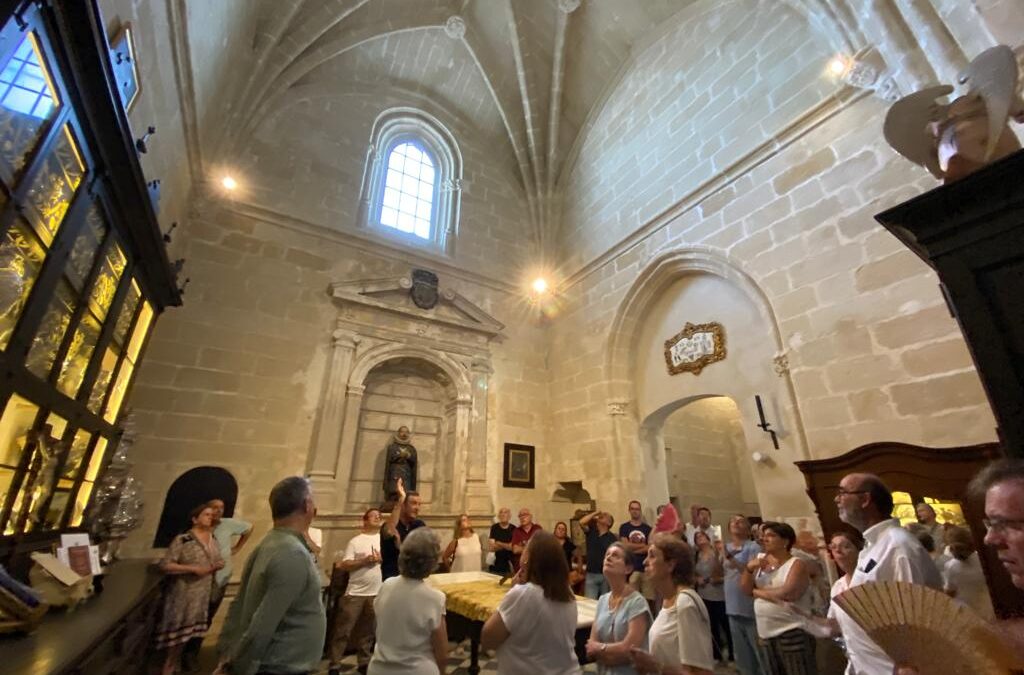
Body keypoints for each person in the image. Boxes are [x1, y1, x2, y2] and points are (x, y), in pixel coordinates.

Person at [832, 473, 941, 675]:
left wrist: (910, 664)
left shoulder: (898, 546)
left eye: (842, 493)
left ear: (865, 499)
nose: (836, 499)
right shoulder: (872, 546)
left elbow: (915, 616)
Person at [216, 477, 326, 675]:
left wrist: (229, 651)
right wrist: (236, 665)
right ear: (307, 505)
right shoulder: (291, 552)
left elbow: (239, 604)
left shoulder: (272, 542)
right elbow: (264, 621)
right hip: (281, 664)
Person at [482, 531, 581, 674]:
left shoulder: (524, 594)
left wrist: (514, 591)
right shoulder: (568, 593)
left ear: (527, 558)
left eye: (526, 548)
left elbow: (488, 639)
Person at [182, 498, 252, 671]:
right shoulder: (195, 532)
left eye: (221, 508)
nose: (218, 511)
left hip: (219, 579)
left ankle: (192, 652)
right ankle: (181, 652)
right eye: (214, 507)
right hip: (198, 581)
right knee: (191, 616)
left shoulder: (227, 525)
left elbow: (249, 528)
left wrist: (237, 548)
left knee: (207, 618)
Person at [629, 534, 714, 675]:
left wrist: (656, 667)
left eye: (652, 556)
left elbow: (702, 672)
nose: (644, 562)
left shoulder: (685, 603)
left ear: (670, 565)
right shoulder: (667, 601)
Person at [368, 527, 448, 675]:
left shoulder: (387, 585)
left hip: (379, 667)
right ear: (432, 561)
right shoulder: (435, 598)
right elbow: (441, 650)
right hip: (416, 670)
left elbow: (377, 626)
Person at [156, 504, 224, 675]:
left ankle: (176, 661)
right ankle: (168, 665)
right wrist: (192, 569)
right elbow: (165, 564)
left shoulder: (213, 539)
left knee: (189, 633)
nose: (210, 517)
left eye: (211, 515)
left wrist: (217, 565)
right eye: (206, 514)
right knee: (177, 630)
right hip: (184, 591)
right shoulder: (183, 539)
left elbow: (216, 558)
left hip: (201, 592)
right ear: (195, 519)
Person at [740, 521, 817, 675]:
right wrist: (749, 568)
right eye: (763, 536)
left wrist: (756, 591)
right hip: (765, 632)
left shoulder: (796, 563)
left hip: (791, 631)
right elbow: (744, 589)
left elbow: (787, 593)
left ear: (785, 541)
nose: (764, 539)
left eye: (771, 535)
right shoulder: (760, 560)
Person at [328, 508, 383, 675]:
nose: (378, 518)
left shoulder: (382, 540)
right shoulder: (355, 541)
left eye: (379, 516)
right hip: (355, 593)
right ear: (365, 520)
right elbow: (345, 564)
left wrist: (382, 558)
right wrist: (364, 560)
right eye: (374, 516)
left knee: (368, 631)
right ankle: (335, 664)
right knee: (343, 630)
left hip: (375, 592)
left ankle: (364, 661)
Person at [586, 542, 651, 674]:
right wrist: (613, 653)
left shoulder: (637, 603)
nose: (608, 558)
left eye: (615, 555)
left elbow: (630, 649)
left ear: (628, 569)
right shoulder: (602, 600)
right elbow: (590, 648)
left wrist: (601, 648)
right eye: (607, 555)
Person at [720, 515, 762, 675]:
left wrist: (730, 557)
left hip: (748, 603)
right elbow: (721, 572)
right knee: (741, 652)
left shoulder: (753, 547)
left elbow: (750, 571)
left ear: (748, 528)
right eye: (732, 521)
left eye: (740, 521)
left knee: (758, 649)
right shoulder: (726, 546)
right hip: (732, 604)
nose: (736, 523)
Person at [943, 525, 996, 620]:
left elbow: (950, 591)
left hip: (966, 611)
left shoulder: (951, 566)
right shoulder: (984, 560)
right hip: (989, 606)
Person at [693, 531, 730, 665]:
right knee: (711, 626)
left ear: (708, 539)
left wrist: (718, 579)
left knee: (725, 624)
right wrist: (698, 579)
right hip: (704, 594)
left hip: (719, 593)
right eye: (697, 538)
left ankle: (731, 655)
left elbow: (726, 571)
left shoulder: (717, 553)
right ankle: (717, 654)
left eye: (702, 536)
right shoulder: (697, 555)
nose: (700, 539)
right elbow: (694, 573)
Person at [381, 477, 425, 580]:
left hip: (414, 580)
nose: (417, 508)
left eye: (419, 504)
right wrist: (401, 498)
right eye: (413, 503)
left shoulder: (419, 525)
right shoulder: (390, 524)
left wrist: (401, 547)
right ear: (403, 506)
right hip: (393, 581)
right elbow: (389, 531)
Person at [619, 501, 654, 605]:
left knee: (648, 599)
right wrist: (642, 546)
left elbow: (650, 547)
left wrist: (633, 548)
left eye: (637, 509)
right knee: (631, 599)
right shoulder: (625, 527)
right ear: (629, 511)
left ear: (640, 511)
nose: (635, 511)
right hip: (632, 568)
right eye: (633, 509)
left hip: (645, 568)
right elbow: (625, 546)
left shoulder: (647, 529)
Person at [581, 510, 618, 599]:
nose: (602, 515)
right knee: (589, 602)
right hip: (591, 574)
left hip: (605, 575)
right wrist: (596, 513)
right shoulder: (591, 532)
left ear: (609, 523)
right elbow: (581, 522)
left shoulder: (612, 538)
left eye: (605, 515)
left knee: (605, 603)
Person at [382, 426, 417, 509]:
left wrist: (408, 456)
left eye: (406, 432)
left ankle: (404, 504)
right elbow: (390, 459)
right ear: (398, 433)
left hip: (406, 473)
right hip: (395, 471)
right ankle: (392, 502)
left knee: (406, 490)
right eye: (402, 432)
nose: (404, 434)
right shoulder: (392, 447)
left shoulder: (411, 449)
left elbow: (413, 461)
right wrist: (398, 455)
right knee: (394, 489)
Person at [490, 507, 516, 574]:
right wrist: (507, 545)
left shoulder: (514, 529)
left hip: (509, 564)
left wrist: (499, 543)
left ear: (509, 516)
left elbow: (512, 547)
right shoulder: (494, 528)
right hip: (495, 563)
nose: (503, 514)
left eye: (505, 512)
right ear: (498, 516)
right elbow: (492, 548)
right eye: (501, 512)